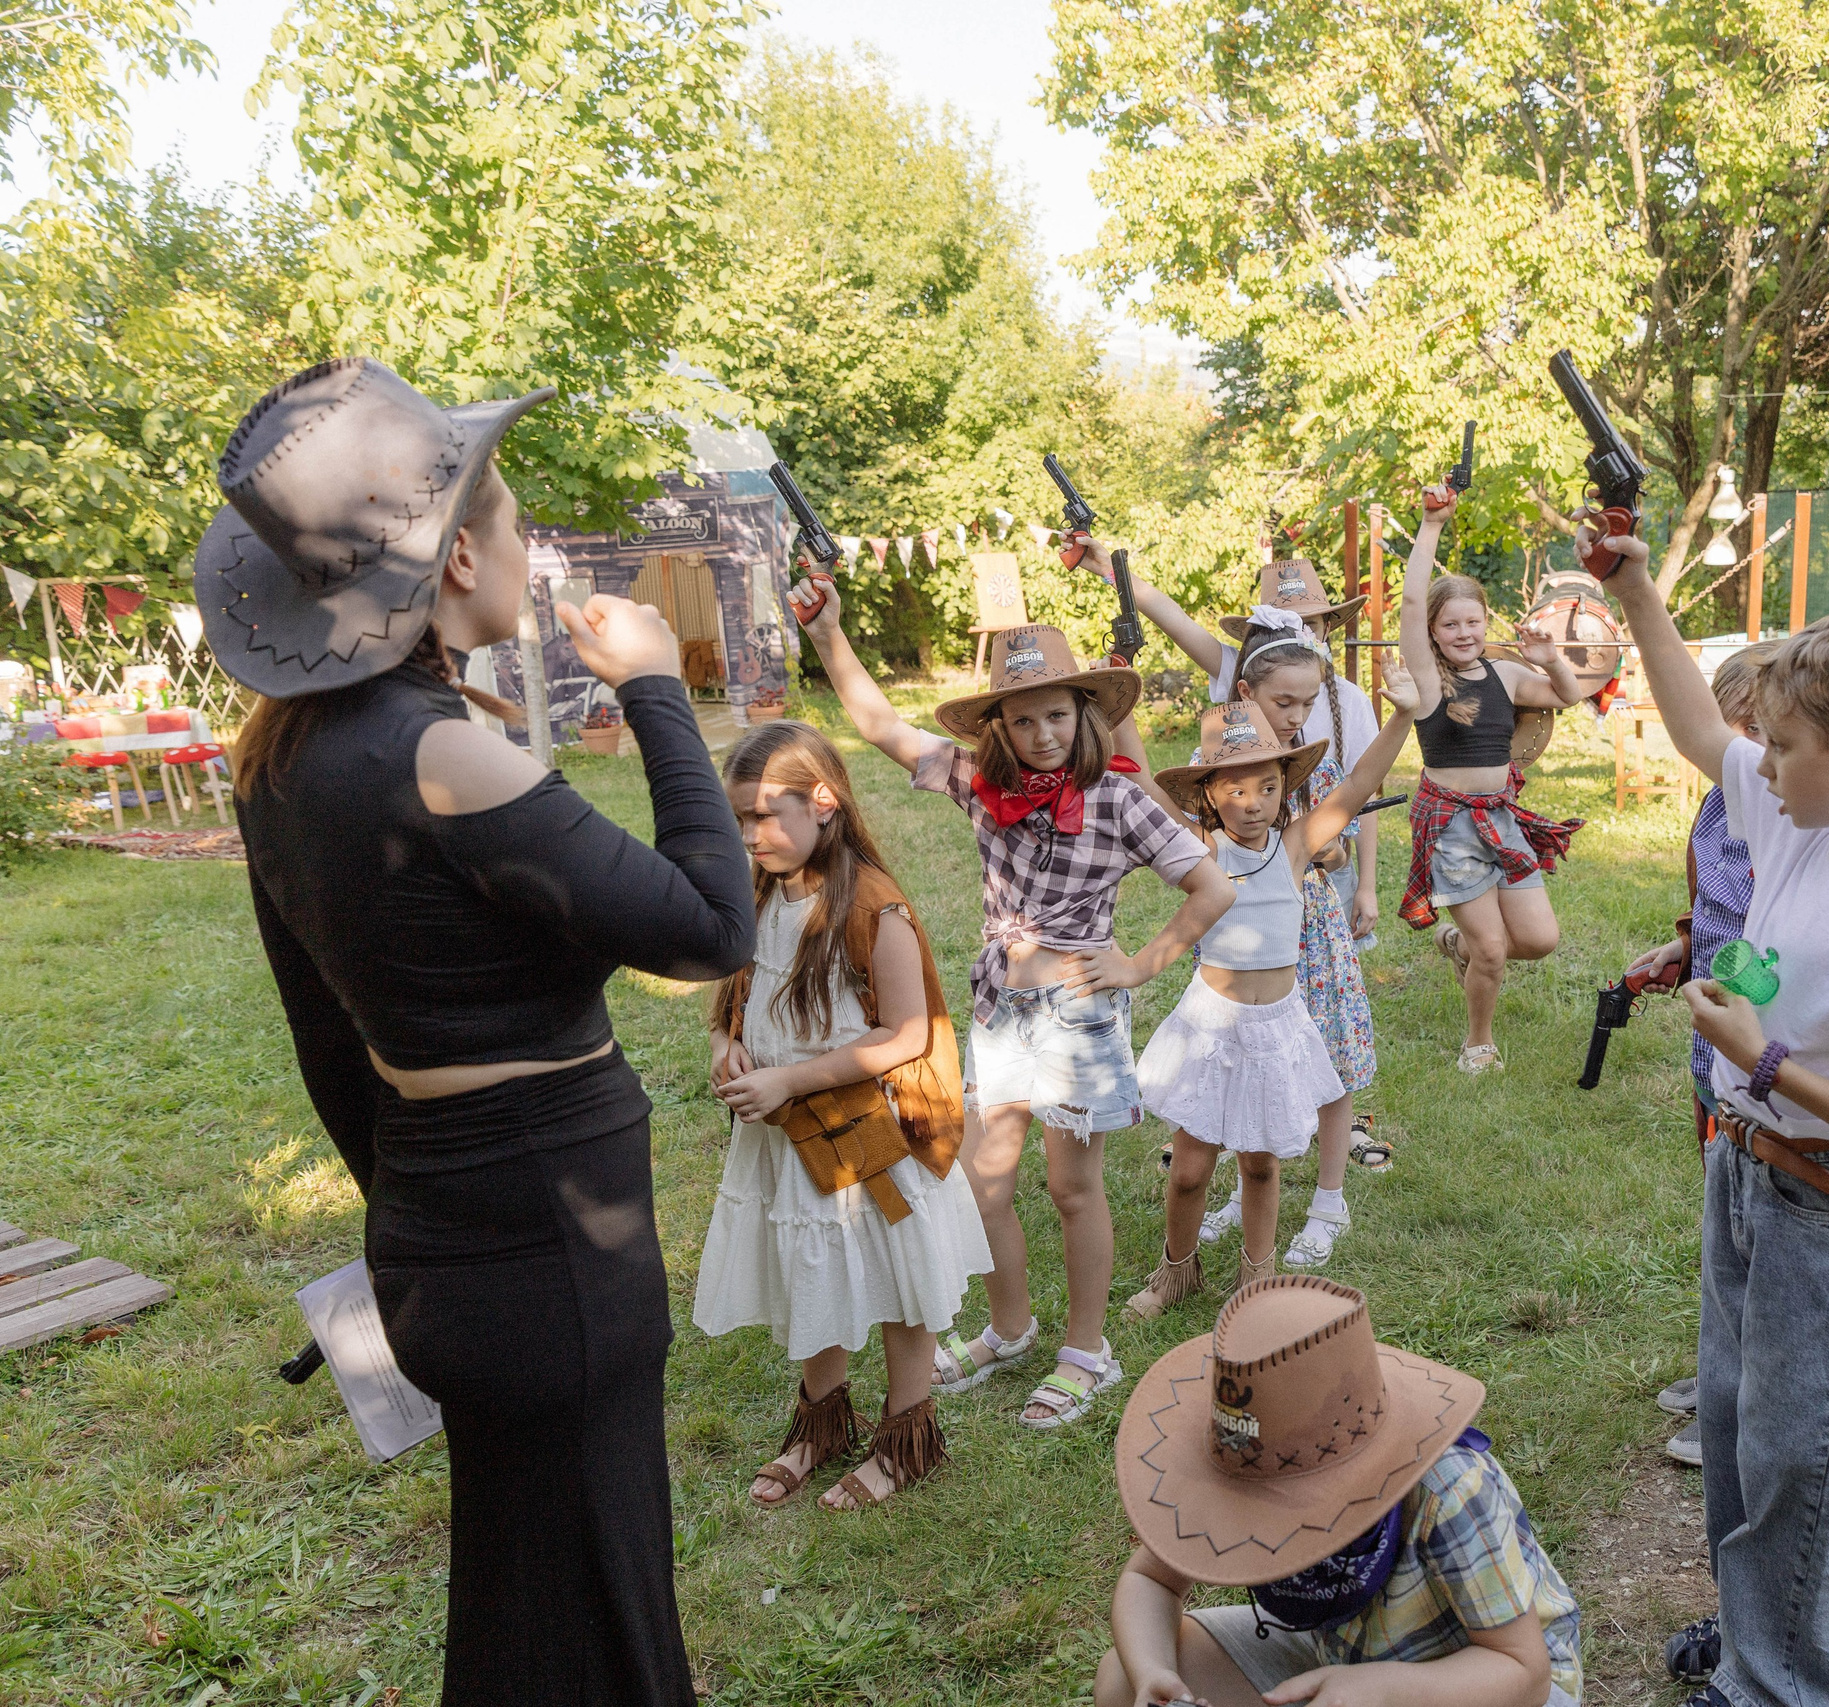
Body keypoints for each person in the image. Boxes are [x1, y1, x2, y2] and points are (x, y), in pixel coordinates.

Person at [209, 357, 755, 1704]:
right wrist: (653, 686)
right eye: (515, 525)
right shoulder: (442, 756)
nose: (537, 548)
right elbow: (706, 927)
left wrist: (409, 1211)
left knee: (521, 1597)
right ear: (457, 563)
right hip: (548, 1236)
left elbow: (324, 1036)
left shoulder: (277, 753)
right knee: (606, 1595)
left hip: (442, 1227)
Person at [1591, 524, 1829, 1707]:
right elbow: (1701, 730)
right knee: (1737, 1423)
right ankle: (1758, 1627)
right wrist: (1633, 590)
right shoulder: (1805, 822)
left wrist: (1766, 1064)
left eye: (1787, 742)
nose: (1756, 758)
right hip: (1750, 1175)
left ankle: (1781, 1687)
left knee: (1803, 1457)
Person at [791, 576, 1230, 1430]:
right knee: (985, 1184)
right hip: (1000, 1007)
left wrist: (1139, 964)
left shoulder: (1118, 797)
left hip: (1077, 1016)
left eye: (1057, 715)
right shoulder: (978, 785)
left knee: (1072, 1186)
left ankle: (1086, 1351)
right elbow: (879, 725)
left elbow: (1210, 887)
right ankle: (1009, 1327)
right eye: (1022, 719)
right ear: (999, 726)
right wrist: (828, 636)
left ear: (1085, 714)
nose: (1041, 734)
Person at [691, 719, 992, 1510]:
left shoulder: (872, 906)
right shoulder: (755, 896)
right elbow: (735, 997)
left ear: (824, 800)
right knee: (809, 1271)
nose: (750, 833)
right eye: (740, 818)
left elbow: (908, 1032)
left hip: (872, 1139)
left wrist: (792, 1078)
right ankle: (821, 1424)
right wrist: (727, 1042)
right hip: (784, 1138)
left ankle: (906, 1438)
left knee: (897, 1278)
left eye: (764, 814)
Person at [1094, 1276, 1584, 1707]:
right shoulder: (1244, 1460)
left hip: (1488, 1683)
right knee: (1120, 1680)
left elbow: (1524, 1674)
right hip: (1345, 1657)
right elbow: (1151, 1580)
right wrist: (1154, 1674)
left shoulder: (1450, 1490)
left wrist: (1383, 1692)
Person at [1086, 552, 1399, 1220]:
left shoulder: (1311, 760)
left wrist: (1343, 863)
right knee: (1245, 1066)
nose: (1297, 714)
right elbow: (1146, 780)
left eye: (1307, 703)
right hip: (1240, 938)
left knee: (1325, 1057)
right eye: (1285, 701)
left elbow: (1348, 805)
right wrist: (1120, 698)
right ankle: (1241, 1189)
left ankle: (1327, 1201)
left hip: (1308, 921)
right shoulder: (1219, 769)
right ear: (1246, 691)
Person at [1119, 677, 1419, 1317]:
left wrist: (1401, 716)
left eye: (1267, 786)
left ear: (1286, 787)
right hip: (1211, 1026)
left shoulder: (1294, 845)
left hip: (1277, 1027)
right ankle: (1177, 1272)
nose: (1252, 803)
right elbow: (1141, 780)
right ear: (1207, 792)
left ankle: (1257, 1280)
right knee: (1192, 1168)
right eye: (1234, 787)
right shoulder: (1200, 849)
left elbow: (1360, 784)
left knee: (1260, 1164)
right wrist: (1115, 713)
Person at [1618, 641, 1776, 1468]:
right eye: (1730, 724)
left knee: (1756, 1218)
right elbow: (1715, 907)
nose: (1741, 746)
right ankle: (1725, 1360)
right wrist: (1683, 949)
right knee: (1723, 1207)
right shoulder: (1718, 807)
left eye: (1759, 729)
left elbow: (1774, 935)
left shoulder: (1785, 821)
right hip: (1710, 1040)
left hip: (1761, 1050)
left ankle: (1749, 1391)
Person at [1398, 486, 1589, 1073]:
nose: (1463, 632)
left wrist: (1549, 655)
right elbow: (1408, 601)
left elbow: (1570, 694)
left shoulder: (1506, 674)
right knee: (1494, 950)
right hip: (1451, 825)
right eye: (1450, 623)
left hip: (1500, 819)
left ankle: (1455, 944)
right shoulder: (1428, 679)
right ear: (1432, 631)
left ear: (1486, 623)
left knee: (1537, 941)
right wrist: (1431, 526)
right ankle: (1478, 1041)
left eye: (1472, 621)